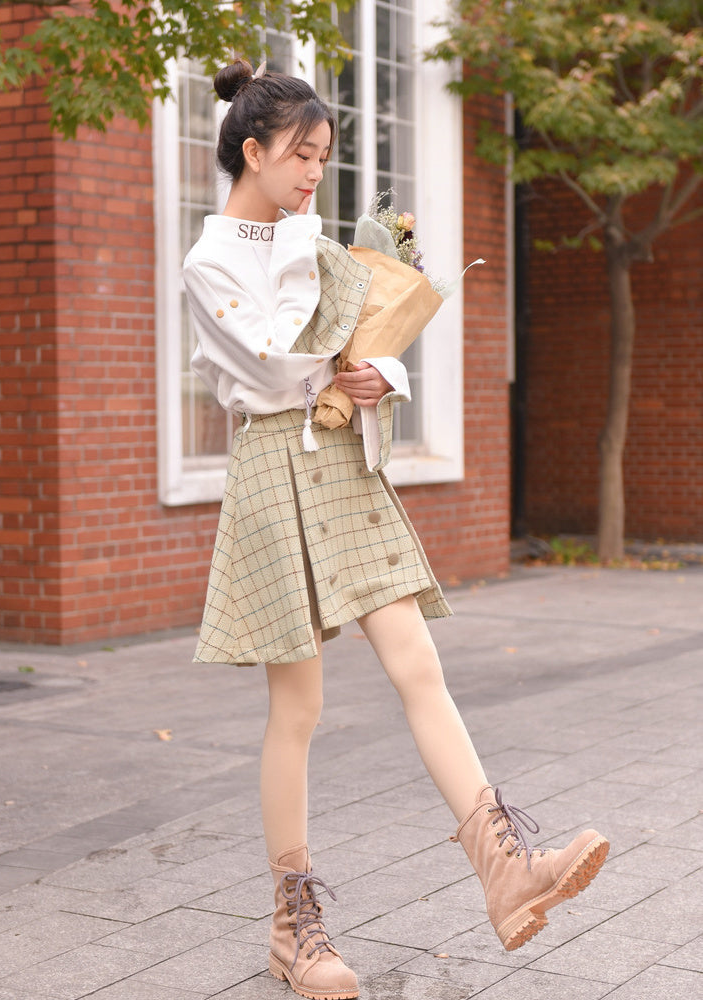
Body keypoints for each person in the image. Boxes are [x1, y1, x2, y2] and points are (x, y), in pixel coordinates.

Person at [183, 58, 609, 1000]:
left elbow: (355, 346)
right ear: (252, 152)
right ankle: (295, 928)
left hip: (344, 462)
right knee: (298, 709)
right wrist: (332, 307)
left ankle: (505, 869)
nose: (314, 174)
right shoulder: (212, 260)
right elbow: (271, 364)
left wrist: (389, 374)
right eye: (301, 155)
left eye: (323, 157)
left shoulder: (313, 242)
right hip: (274, 473)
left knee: (420, 664)